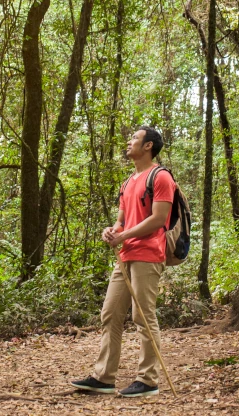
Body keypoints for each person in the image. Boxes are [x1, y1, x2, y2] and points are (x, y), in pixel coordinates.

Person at [71, 126, 175, 398]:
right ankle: (104, 377)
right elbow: (121, 219)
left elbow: (158, 219)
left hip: (148, 254)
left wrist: (124, 235)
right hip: (125, 255)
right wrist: (113, 231)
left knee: (142, 315)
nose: (129, 143)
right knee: (110, 313)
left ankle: (148, 380)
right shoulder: (128, 182)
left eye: (134, 139)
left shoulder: (160, 176)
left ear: (149, 146)